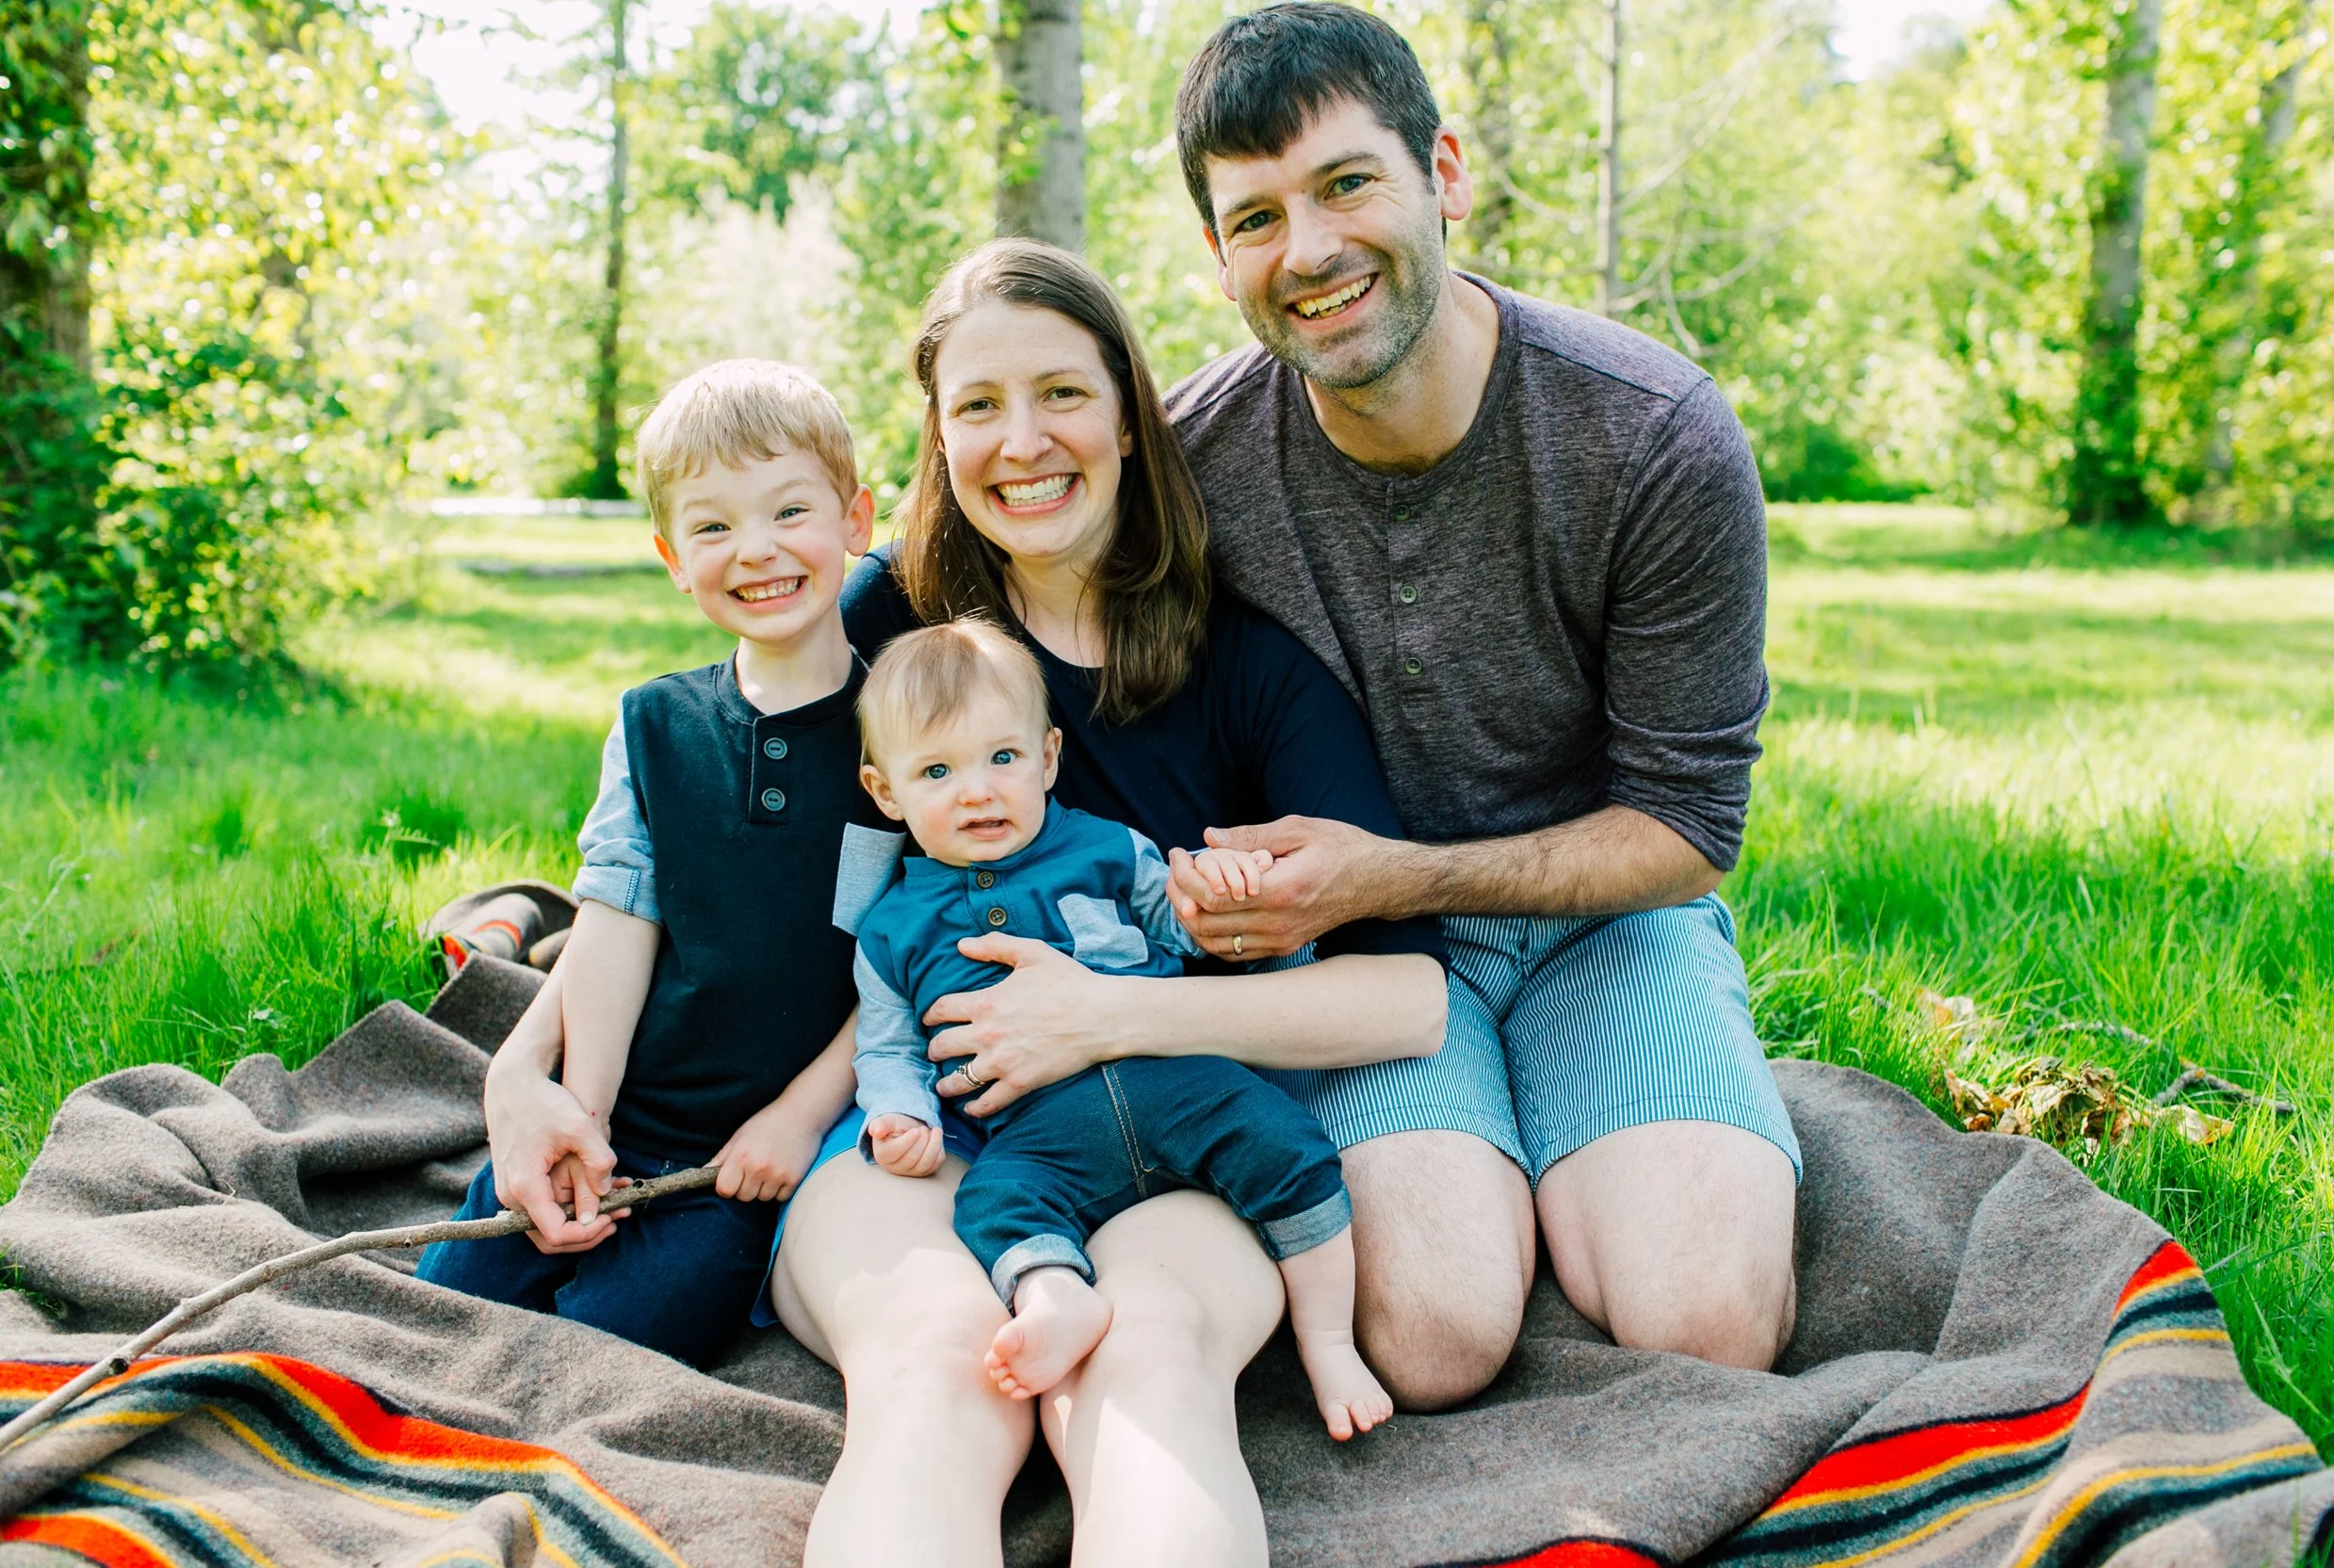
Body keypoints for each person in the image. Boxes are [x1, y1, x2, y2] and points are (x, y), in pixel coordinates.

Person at [478, 237, 1447, 1565]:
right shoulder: (885, 626)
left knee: (1146, 1353)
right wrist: (525, 1077)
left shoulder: (1250, 671)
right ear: (936, 440)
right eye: (979, 405)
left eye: (1061, 392)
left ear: (1128, 412)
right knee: (941, 1357)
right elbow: (663, 862)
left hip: (1158, 1121)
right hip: (908, 1129)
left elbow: (1405, 991)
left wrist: (1103, 1017)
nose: (1022, 440)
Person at [1152, 2, 1804, 1404]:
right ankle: (1513, 1179)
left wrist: (1396, 868)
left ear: (1443, 172)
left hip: (1608, 923)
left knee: (1711, 1325)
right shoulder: (1191, 462)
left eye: (1345, 184)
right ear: (1218, 260)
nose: (1309, 252)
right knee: (1436, 1340)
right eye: (1254, 218)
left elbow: (1689, 824)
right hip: (1364, 956)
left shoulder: (1654, 436)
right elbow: (993, 561)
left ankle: (1594, 1147)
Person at [415, 360, 886, 1370]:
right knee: (443, 1314)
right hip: (626, 1105)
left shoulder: (903, 726)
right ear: (674, 558)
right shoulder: (653, 724)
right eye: (713, 528)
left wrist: (800, 1120)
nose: (754, 551)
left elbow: (906, 951)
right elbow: (617, 922)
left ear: (856, 519)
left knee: (610, 1347)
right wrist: (578, 1123)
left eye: (788, 511)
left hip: (744, 1160)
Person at [850, 619, 1391, 1440]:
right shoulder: (890, 928)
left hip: (1172, 1073)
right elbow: (886, 1046)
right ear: (886, 792)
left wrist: (1213, 890)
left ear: (1048, 757)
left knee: (1287, 1141)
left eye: (1003, 757)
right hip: (1037, 1131)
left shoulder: (1103, 847)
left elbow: (1182, 925)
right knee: (991, 1201)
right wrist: (902, 1114)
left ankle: (1328, 1340)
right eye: (936, 770)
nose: (978, 791)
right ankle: (1055, 1294)